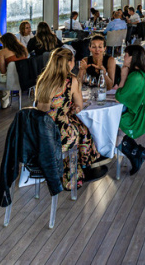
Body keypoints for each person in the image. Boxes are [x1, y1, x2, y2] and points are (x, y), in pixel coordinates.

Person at [34, 47, 104, 188]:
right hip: (57, 133)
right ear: (69, 63)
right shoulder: (70, 81)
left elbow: (45, 107)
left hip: (38, 130)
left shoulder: (42, 79)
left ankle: (72, 169)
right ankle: (77, 172)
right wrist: (74, 105)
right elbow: (79, 105)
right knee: (81, 130)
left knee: (78, 127)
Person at [115, 45, 145, 175]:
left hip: (142, 117)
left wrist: (123, 77)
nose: (123, 57)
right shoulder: (141, 72)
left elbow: (119, 98)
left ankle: (136, 153)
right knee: (115, 128)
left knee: (112, 125)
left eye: (125, 55)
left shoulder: (136, 77)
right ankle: (137, 152)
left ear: (132, 58)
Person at [0, 33, 29, 109]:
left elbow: (3, 71)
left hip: (11, 80)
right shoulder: (23, 49)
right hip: (24, 79)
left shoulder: (3, 52)